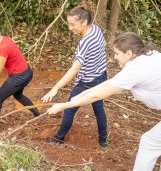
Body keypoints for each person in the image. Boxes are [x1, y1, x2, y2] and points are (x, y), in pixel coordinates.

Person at [47, 32, 161, 171]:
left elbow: (98, 96)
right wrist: (83, 93)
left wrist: (64, 105)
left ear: (129, 53)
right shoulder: (148, 55)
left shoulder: (135, 70)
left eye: (117, 54)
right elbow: (109, 84)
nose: (114, 57)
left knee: (149, 143)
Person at [41, 1, 108, 148]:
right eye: (68, 24)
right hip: (102, 76)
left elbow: (74, 69)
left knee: (69, 108)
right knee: (99, 109)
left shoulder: (84, 43)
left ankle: (58, 139)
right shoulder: (96, 29)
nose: (70, 28)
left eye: (73, 24)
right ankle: (103, 142)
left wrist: (56, 88)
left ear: (84, 22)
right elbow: (103, 44)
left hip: (87, 82)